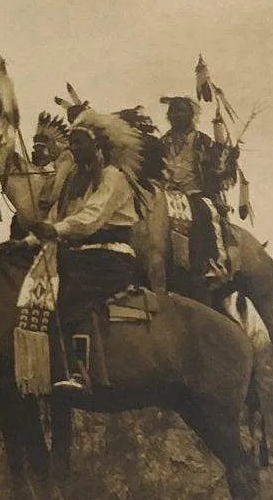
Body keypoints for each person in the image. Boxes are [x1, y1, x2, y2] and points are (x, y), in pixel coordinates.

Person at [30, 109, 158, 392]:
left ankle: (82, 371)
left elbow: (90, 218)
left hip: (110, 257)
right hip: (84, 253)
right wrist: (30, 240)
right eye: (71, 142)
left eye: (78, 143)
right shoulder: (78, 179)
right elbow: (58, 217)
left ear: (97, 146)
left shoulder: (113, 177)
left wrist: (57, 231)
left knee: (72, 294)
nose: (72, 148)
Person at [159, 95, 239, 286]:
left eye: (182, 111)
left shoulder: (202, 141)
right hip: (166, 192)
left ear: (191, 115)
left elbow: (216, 169)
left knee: (204, 212)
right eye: (174, 111)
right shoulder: (162, 142)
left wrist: (226, 157)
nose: (177, 115)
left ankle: (212, 262)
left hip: (194, 192)